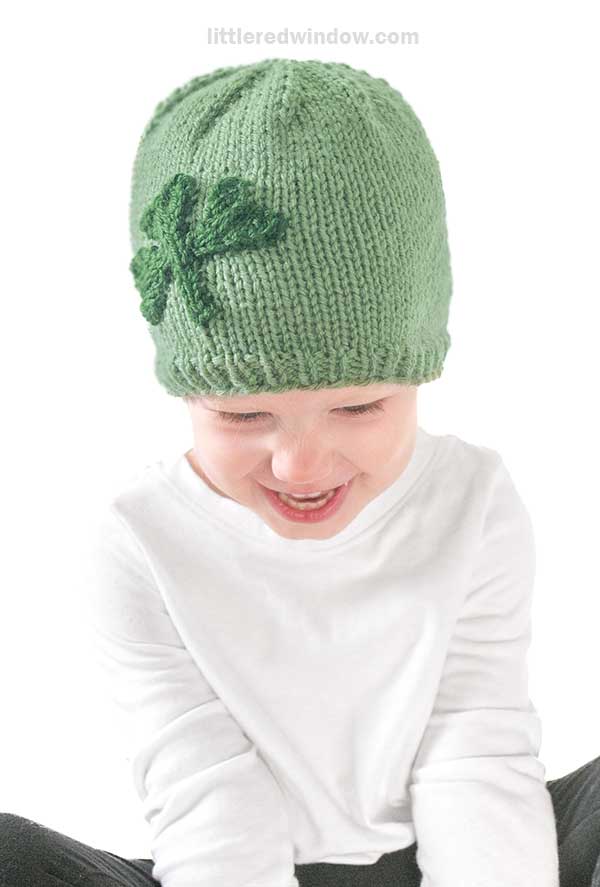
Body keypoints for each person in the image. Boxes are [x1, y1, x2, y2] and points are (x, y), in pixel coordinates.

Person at [2, 57, 599, 887]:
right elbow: (206, 788)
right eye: (244, 416)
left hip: (466, 848)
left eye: (359, 407)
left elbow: (475, 743)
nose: (300, 463)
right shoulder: (136, 540)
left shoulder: (473, 501)